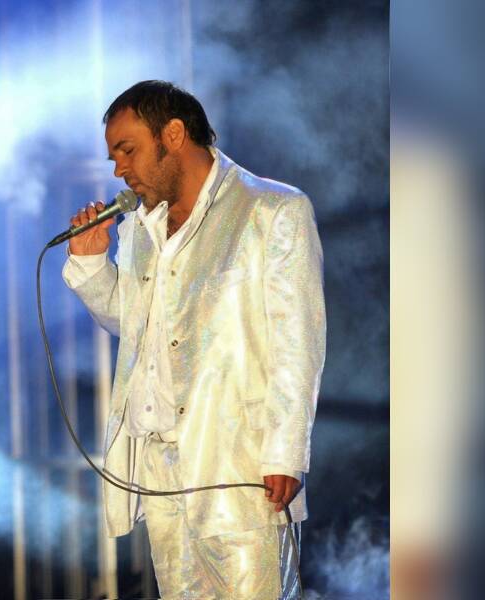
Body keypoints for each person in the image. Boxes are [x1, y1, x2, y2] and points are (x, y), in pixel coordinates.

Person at [63, 80, 325, 598]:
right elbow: (137, 327)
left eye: (128, 150)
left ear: (174, 134)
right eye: (115, 157)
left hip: (240, 465)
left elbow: (298, 342)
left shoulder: (271, 210)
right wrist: (91, 265)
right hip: (161, 468)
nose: (119, 169)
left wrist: (285, 452)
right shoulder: (142, 226)